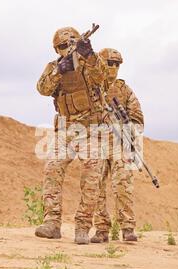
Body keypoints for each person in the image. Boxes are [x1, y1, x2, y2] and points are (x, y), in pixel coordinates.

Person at [35, 27, 107, 244]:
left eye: (72, 44)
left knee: (91, 177)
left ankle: (83, 225)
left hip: (92, 129)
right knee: (52, 170)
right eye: (63, 46)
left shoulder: (90, 62)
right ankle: (52, 222)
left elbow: (102, 78)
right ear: (57, 49)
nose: (68, 49)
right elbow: (42, 89)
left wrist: (90, 56)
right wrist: (59, 70)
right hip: (66, 129)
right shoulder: (55, 67)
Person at [91, 48, 144, 243]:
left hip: (120, 144)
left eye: (117, 64)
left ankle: (127, 227)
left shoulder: (124, 90)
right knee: (96, 187)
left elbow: (139, 120)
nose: (113, 67)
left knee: (123, 185)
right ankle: (101, 228)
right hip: (97, 143)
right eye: (109, 63)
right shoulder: (92, 87)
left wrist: (124, 124)